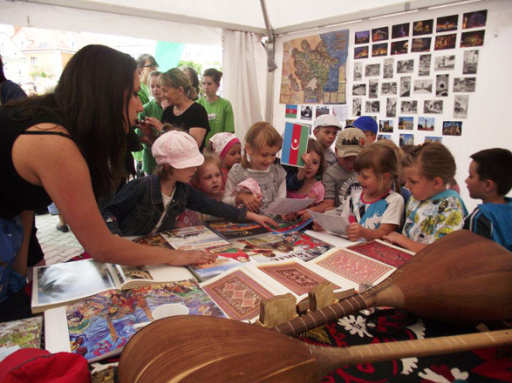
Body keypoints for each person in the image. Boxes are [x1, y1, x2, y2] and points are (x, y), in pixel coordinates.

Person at [0, 45, 216, 316]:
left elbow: (23, 202)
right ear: (106, 95)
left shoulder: (54, 121)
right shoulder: (54, 141)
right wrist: (176, 256)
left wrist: (18, 278)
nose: (140, 105)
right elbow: (101, 246)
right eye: (135, 94)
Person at [102, 131, 276, 236]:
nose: (195, 168)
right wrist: (115, 238)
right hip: (128, 246)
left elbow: (216, 207)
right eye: (189, 164)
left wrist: (254, 217)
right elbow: (110, 213)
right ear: (170, 166)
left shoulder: (183, 191)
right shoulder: (140, 186)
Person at [383, 143, 467, 252]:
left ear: (436, 183)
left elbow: (438, 253)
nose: (407, 186)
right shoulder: (416, 198)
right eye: (407, 181)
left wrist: (401, 240)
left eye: (413, 182)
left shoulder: (451, 208)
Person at [338, 144, 404, 241]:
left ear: (385, 177)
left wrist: (363, 232)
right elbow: (342, 225)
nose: (359, 179)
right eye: (358, 174)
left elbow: (385, 233)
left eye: (365, 177)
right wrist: (325, 227)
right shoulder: (354, 197)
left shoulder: (394, 200)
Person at [223, 122, 286, 213]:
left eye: (273, 154)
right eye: (264, 155)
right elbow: (225, 202)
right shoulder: (238, 172)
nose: (269, 160)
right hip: (244, 224)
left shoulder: (278, 172)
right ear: (248, 149)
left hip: (272, 224)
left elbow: (282, 201)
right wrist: (240, 197)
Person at [307, 128, 367, 214]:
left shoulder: (367, 170)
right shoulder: (330, 174)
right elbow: (328, 205)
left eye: (356, 158)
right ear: (336, 151)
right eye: (346, 158)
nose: (351, 163)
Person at [463, 148, 512, 251]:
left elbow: (474, 257)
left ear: (488, 185)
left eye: (471, 176)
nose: (466, 180)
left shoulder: (479, 218)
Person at [158, 68, 210, 151]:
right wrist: (149, 133)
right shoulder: (168, 111)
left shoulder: (198, 112)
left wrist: (161, 129)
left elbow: (192, 147)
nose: (162, 95)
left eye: (165, 91)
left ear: (180, 90)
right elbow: (162, 147)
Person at [177, 152, 225, 226]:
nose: (215, 180)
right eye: (208, 177)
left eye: (217, 175)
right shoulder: (193, 203)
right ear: (198, 182)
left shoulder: (227, 197)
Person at [197, 68, 235, 144]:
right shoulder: (197, 104)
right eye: (203, 83)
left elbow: (228, 133)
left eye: (209, 84)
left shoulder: (225, 104)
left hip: (220, 149)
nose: (206, 87)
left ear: (218, 85)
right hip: (201, 150)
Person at [136, 70, 163, 175]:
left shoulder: (172, 107)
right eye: (152, 86)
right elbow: (140, 137)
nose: (155, 89)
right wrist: (158, 140)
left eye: (158, 86)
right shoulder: (146, 109)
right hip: (151, 160)